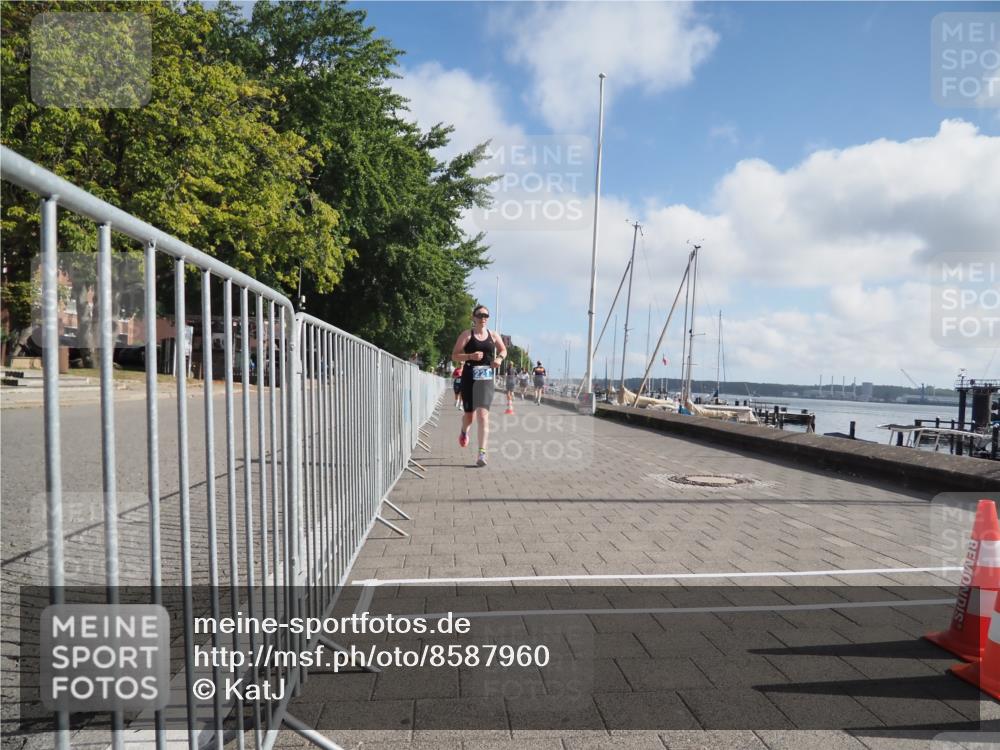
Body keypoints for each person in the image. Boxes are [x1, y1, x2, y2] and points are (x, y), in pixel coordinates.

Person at [451, 304, 507, 467]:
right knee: (470, 416)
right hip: (469, 377)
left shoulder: (494, 335)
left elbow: (503, 350)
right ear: (473, 317)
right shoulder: (467, 335)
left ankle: (482, 453)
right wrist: (470, 356)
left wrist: (499, 359)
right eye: (480, 315)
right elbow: (454, 355)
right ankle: (464, 431)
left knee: (483, 415)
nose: (483, 318)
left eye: (486, 316)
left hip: (486, 379)